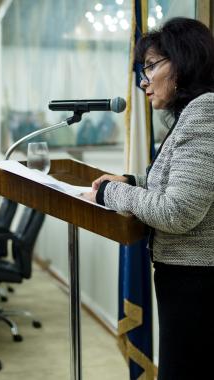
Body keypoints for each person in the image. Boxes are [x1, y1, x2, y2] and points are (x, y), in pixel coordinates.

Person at [83, 18, 214, 379]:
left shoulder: (205, 111)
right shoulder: (196, 112)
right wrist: (132, 180)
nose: (144, 81)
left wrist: (112, 192)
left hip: (198, 284)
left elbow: (179, 211)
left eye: (152, 66)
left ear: (183, 62)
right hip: (189, 279)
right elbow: (186, 186)